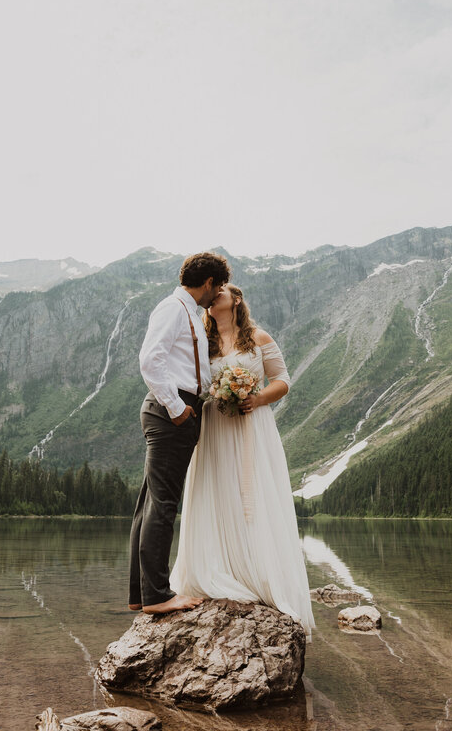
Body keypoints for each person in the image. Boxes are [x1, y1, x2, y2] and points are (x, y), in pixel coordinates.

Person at [170, 285, 315, 634]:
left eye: (222, 291)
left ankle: (257, 573)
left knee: (251, 493)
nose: (214, 294)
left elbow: (283, 380)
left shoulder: (258, 336)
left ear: (236, 300)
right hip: (215, 425)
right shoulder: (203, 344)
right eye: (211, 291)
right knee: (215, 490)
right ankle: (216, 569)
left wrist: (258, 398)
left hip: (251, 423)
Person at [128, 251, 230, 615]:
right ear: (207, 283)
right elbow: (150, 360)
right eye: (215, 288)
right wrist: (178, 411)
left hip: (174, 410)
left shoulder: (186, 310)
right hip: (171, 412)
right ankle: (157, 596)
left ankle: (142, 594)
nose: (214, 295)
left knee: (150, 505)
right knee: (164, 505)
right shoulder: (174, 308)